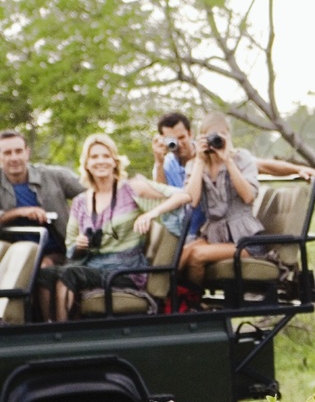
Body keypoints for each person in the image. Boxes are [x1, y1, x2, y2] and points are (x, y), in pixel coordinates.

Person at [36, 133, 191, 322]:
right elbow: (70, 250)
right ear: (86, 164)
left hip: (124, 270)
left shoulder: (131, 189)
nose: (100, 161)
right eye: (94, 157)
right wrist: (80, 245)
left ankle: (62, 335)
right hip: (92, 265)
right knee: (44, 274)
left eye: (105, 156)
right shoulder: (80, 202)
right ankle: (49, 328)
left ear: (114, 161)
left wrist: (151, 213)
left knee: (70, 274)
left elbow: (183, 196)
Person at [152, 110, 315, 239]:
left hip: (213, 228)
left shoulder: (212, 150)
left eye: (182, 137)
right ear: (163, 139)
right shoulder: (167, 164)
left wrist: (297, 169)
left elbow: (259, 164)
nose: (178, 144)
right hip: (188, 230)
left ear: (191, 134)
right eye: (171, 140)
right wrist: (158, 163)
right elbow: (162, 195)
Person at [179, 113, 268, 291]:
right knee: (182, 254)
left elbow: (249, 196)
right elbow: (192, 201)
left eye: (220, 135)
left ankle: (192, 303)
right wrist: (199, 161)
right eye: (210, 136)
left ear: (228, 136)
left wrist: (227, 160)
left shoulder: (241, 158)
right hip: (214, 236)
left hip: (246, 240)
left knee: (197, 255)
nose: (215, 140)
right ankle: (169, 302)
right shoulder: (196, 164)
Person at [0, 129, 86, 266]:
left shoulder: (53, 176)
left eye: (18, 151)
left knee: (43, 268)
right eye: (7, 153)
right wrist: (20, 212)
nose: (14, 158)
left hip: (57, 252)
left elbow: (93, 190)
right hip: (13, 255)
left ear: (27, 152)